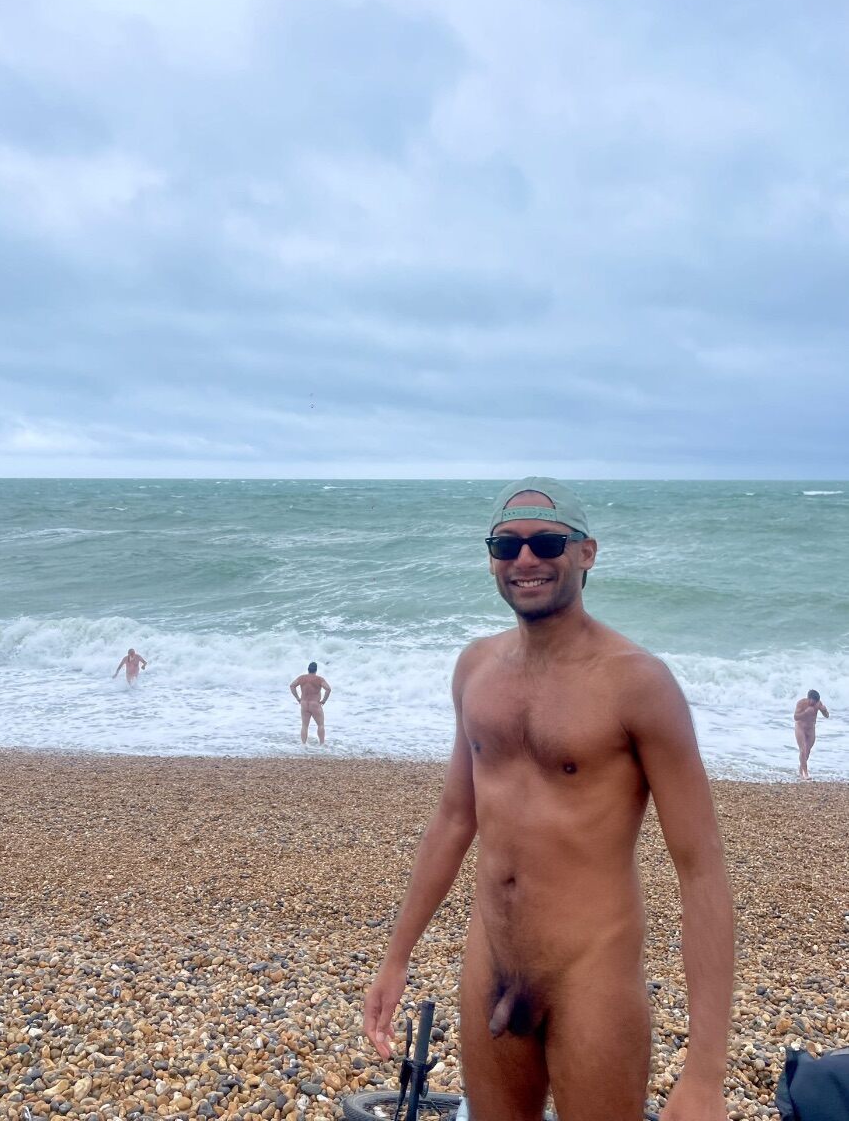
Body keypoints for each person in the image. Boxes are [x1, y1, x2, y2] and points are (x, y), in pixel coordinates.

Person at [364, 477, 734, 1121]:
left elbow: (701, 868)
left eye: (547, 542)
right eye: (506, 545)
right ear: (491, 559)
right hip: (489, 963)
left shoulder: (637, 684)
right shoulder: (476, 669)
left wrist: (706, 1072)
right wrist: (396, 958)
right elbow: (454, 818)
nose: (526, 559)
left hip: (591, 973)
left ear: (586, 553)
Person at [290, 661, 331, 745]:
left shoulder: (301, 678)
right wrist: (324, 700)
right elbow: (328, 689)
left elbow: (292, 686)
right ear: (316, 670)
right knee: (320, 725)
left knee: (304, 726)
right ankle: (322, 745)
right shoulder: (319, 679)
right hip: (315, 704)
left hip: (304, 704)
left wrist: (297, 698)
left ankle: (303, 745)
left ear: (308, 669)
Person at [793, 689, 829, 780]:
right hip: (800, 727)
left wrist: (824, 711)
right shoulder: (801, 703)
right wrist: (805, 712)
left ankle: (801, 771)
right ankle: (806, 774)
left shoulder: (818, 703)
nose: (813, 703)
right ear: (808, 698)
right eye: (812, 701)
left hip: (811, 729)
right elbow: (796, 717)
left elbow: (827, 716)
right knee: (803, 750)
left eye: (815, 702)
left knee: (808, 751)